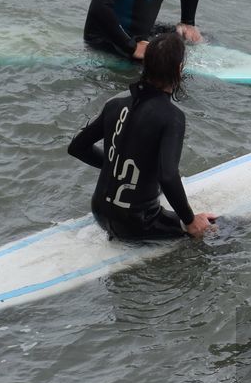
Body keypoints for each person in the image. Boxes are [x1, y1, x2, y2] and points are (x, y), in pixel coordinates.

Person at [67, 32, 216, 242]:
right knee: (217, 227)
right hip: (137, 223)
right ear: (178, 69)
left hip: (99, 213)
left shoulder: (115, 104)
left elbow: (77, 147)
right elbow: (168, 176)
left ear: (145, 65)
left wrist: (114, 168)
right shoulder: (172, 117)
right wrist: (190, 220)